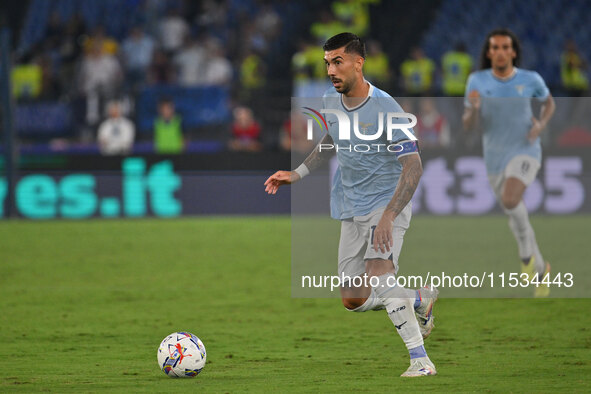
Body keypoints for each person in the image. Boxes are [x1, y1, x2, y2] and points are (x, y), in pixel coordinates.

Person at [265, 33, 438, 377]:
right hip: (350, 206)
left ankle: (421, 360)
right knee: (353, 299)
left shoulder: (386, 107)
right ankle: (419, 298)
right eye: (327, 62)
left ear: (359, 63)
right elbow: (331, 140)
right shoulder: (330, 100)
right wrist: (297, 173)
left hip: (386, 205)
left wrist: (390, 214)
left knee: (380, 273)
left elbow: (414, 165)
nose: (331, 69)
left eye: (337, 62)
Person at [463, 28, 556, 297]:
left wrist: (541, 125)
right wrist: (475, 110)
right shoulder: (477, 81)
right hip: (493, 156)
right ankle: (540, 269)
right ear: (489, 53)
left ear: (513, 51)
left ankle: (526, 255)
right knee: (513, 212)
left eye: (506, 47)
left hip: (525, 149)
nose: (501, 52)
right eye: (495, 48)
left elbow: (549, 104)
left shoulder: (530, 79)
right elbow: (467, 125)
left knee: (512, 199)